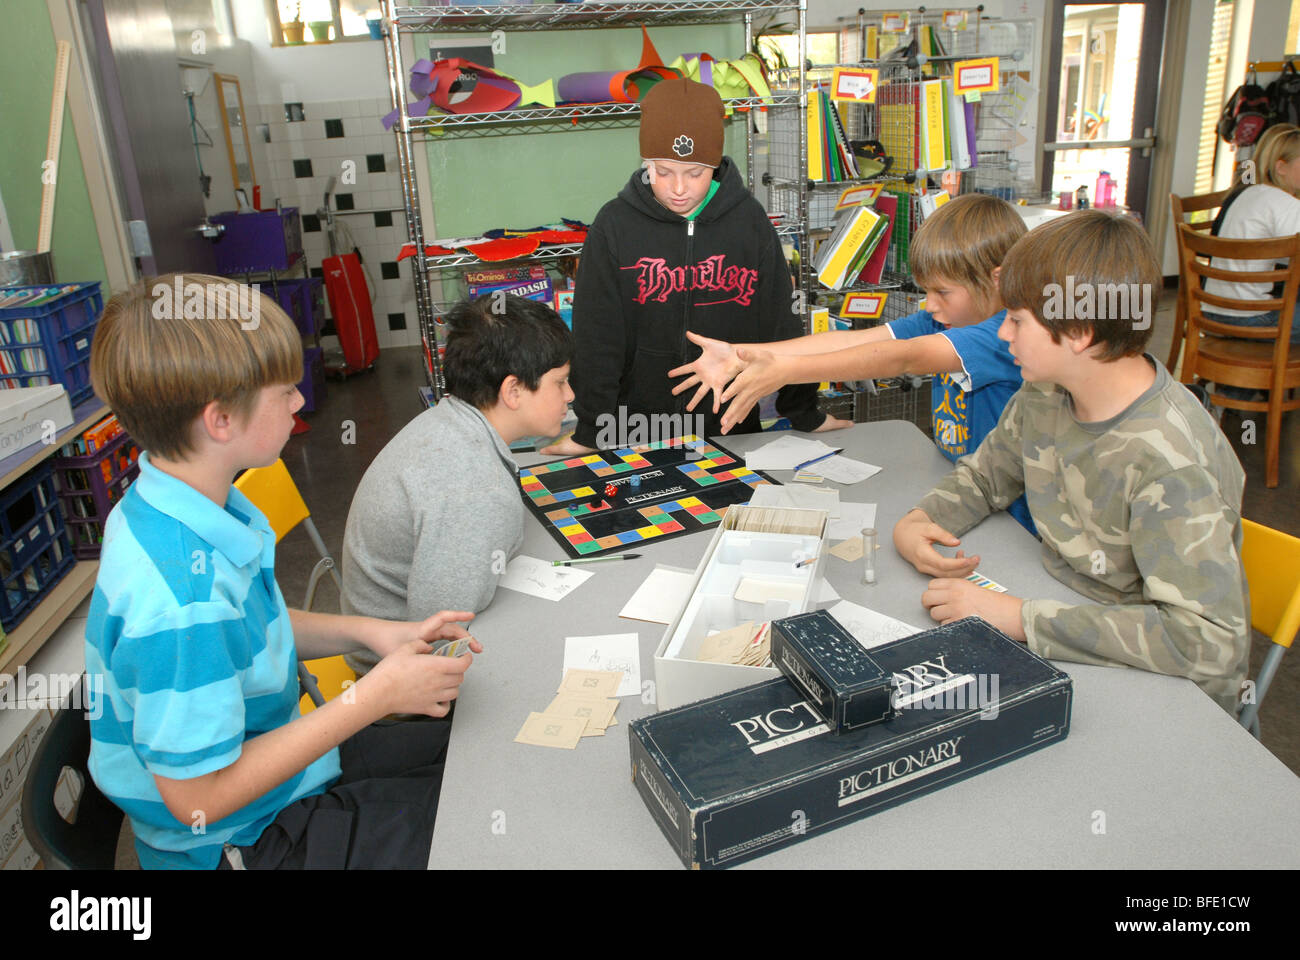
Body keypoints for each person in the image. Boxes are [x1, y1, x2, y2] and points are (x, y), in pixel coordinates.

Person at [85, 274, 482, 869]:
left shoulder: (181, 502)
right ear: (220, 421)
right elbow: (199, 797)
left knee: (470, 752)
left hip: (285, 778)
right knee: (474, 828)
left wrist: (369, 632)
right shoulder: (178, 599)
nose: (299, 402)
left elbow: (252, 626)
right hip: (245, 839)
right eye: (284, 392)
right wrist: (371, 699)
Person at [892, 212, 1250, 715]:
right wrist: (922, 520)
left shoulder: (1172, 461)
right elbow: (986, 474)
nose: (1002, 336)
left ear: (1079, 331)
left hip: (1166, 691)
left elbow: (1205, 644)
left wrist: (1021, 618)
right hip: (1077, 620)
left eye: (1016, 320)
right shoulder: (1046, 392)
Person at [671, 193, 1036, 534]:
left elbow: (902, 356)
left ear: (997, 280)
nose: (930, 305)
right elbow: (851, 340)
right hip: (954, 483)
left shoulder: (1004, 337)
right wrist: (740, 354)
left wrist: (786, 372)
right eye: (926, 291)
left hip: (1008, 515)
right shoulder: (943, 319)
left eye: (942, 292)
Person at [542, 76, 848, 457]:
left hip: (731, 426)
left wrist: (805, 413)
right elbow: (596, 335)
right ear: (645, 163)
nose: (679, 188)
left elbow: (782, 326)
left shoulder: (749, 222)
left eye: (695, 173)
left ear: (716, 165)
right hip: (634, 429)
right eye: (663, 171)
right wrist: (591, 430)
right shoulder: (614, 226)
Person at [341, 294, 573, 676]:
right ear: (513, 391)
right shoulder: (474, 487)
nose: (570, 395)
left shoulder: (451, 420)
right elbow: (439, 641)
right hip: (399, 690)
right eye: (560, 382)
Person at [1205, 121, 1300, 347]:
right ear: (1281, 167)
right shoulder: (1286, 204)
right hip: (1253, 318)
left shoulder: (1248, 193)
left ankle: (1239, 382)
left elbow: (1280, 253)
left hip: (1211, 310)